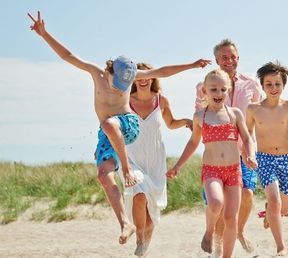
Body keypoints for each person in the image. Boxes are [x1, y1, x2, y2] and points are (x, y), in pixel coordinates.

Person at [28, 11, 210, 245]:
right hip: (108, 134)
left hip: (128, 125)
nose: (122, 87)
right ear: (110, 70)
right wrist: (44, 34)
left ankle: (126, 169)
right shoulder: (96, 73)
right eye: (120, 83)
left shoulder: (132, 75)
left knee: (109, 123)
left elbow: (162, 72)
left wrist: (192, 65)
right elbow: (68, 55)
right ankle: (125, 222)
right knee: (104, 175)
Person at [167, 69, 257, 258]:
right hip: (212, 171)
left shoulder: (235, 114)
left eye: (223, 90)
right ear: (205, 91)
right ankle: (209, 231)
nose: (218, 94)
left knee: (231, 218)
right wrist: (177, 166)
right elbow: (193, 143)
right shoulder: (200, 117)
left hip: (234, 171)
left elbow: (247, 138)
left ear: (229, 90)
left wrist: (250, 156)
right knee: (216, 203)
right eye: (213, 89)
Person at [118, 62, 203, 257]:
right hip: (132, 157)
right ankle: (139, 240)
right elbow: (114, 126)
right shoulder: (125, 101)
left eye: (147, 75)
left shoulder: (161, 100)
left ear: (153, 78)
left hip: (155, 160)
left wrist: (186, 122)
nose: (143, 79)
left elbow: (170, 123)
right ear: (133, 79)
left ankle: (145, 248)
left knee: (151, 210)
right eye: (139, 75)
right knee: (138, 195)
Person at [195, 38, 263, 254]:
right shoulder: (204, 86)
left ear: (238, 58)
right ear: (217, 59)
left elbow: (260, 112)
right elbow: (200, 117)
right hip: (218, 155)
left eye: (233, 56)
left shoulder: (251, 83)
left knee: (248, 195)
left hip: (244, 153)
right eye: (224, 57)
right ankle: (217, 244)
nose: (229, 60)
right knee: (219, 204)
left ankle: (239, 231)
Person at [246, 61, 288, 256]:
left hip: (286, 159)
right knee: (275, 202)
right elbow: (247, 136)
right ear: (262, 85)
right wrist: (248, 155)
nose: (273, 88)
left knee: (283, 207)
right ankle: (281, 246)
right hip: (264, 159)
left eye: (277, 84)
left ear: (283, 85)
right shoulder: (253, 109)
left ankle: (270, 212)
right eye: (269, 84)